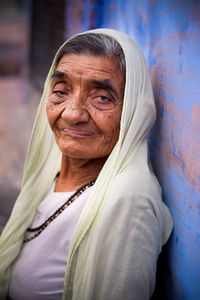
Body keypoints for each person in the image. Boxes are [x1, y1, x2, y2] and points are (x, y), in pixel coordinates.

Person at [0, 28, 173, 300]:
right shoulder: (52, 174)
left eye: (102, 97)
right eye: (61, 91)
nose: (72, 113)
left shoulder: (127, 202)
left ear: (132, 113)